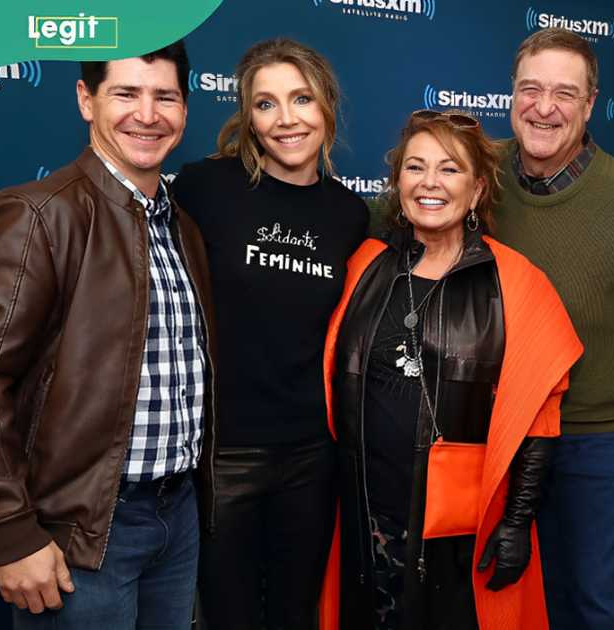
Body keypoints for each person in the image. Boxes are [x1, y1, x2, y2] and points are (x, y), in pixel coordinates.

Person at [0, 42, 215, 629]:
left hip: (176, 518)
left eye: (166, 97)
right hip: (78, 532)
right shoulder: (36, 215)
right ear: (86, 99)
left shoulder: (183, 229)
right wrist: (10, 530)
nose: (147, 114)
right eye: (126, 94)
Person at [319, 109, 582, 630]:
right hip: (362, 511)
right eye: (415, 168)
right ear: (397, 183)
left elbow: (540, 418)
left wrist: (515, 522)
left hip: (457, 531)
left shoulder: (515, 282)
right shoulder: (362, 265)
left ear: (478, 189)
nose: (430, 183)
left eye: (449, 168)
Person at [494, 28, 614, 629]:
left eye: (564, 93)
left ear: (590, 104)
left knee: (596, 604)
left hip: (601, 440)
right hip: (500, 434)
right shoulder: (477, 175)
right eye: (531, 89)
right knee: (512, 600)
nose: (544, 107)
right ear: (511, 94)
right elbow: (403, 204)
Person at [171, 38, 368, 630]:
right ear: (248, 119)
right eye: (266, 104)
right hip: (222, 452)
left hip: (312, 453)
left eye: (301, 98)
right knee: (226, 616)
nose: (286, 119)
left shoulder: (349, 214)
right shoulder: (205, 188)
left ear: (327, 105)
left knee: (293, 613)